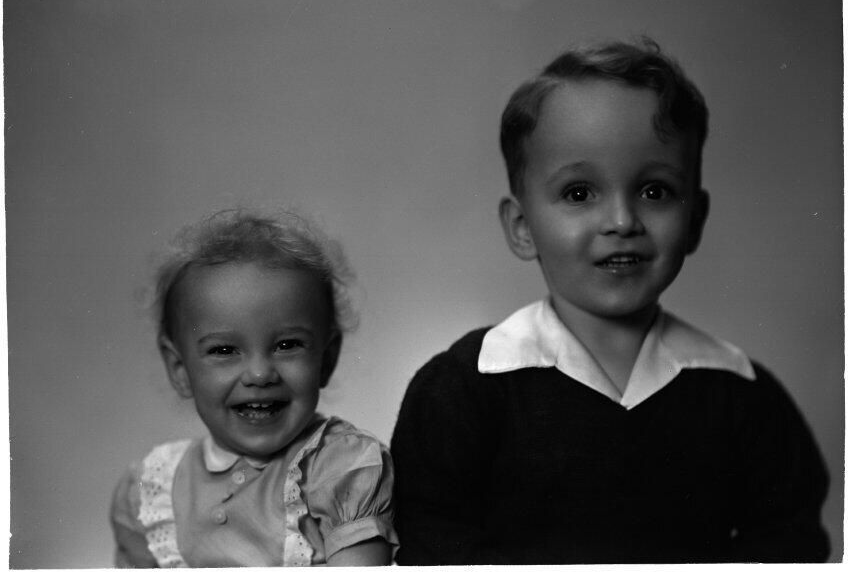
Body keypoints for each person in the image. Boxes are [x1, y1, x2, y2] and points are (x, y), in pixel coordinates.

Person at [390, 38, 829, 564]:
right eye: (579, 193)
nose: (622, 221)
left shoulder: (742, 395)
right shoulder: (463, 390)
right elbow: (432, 543)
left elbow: (788, 542)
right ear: (522, 226)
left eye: (654, 191)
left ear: (695, 220)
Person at [111, 209, 397, 567]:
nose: (260, 374)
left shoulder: (340, 469)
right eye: (224, 351)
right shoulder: (152, 491)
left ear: (326, 359)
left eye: (287, 345)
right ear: (179, 369)